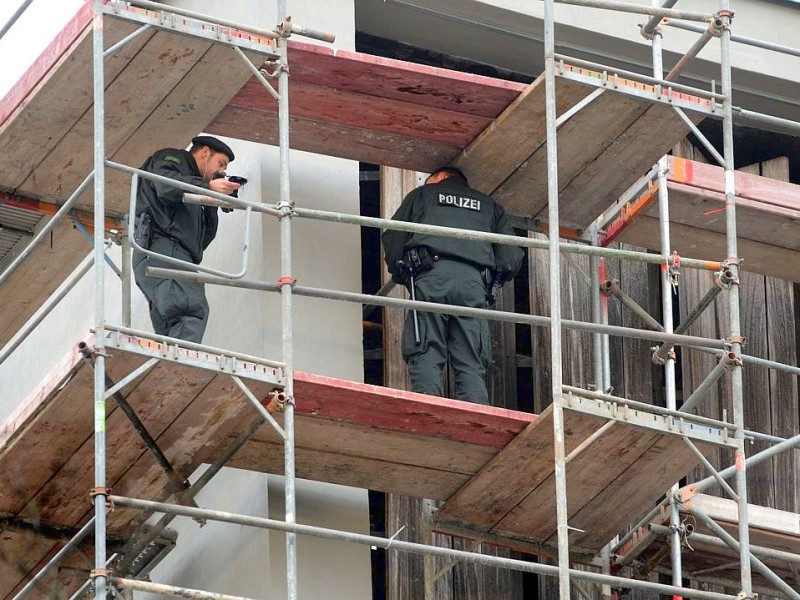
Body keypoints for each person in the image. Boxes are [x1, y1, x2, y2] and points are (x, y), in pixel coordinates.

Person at [382, 166, 523, 405]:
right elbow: (511, 255)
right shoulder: (490, 206)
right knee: (471, 355)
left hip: (431, 276)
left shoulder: (422, 196)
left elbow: (394, 237)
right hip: (472, 283)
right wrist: (490, 282)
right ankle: (475, 412)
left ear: (442, 177)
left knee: (425, 345)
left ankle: (429, 407)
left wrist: (405, 275)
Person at [132, 135, 241, 343]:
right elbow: (166, 186)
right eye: (220, 164)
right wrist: (208, 187)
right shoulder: (173, 159)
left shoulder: (196, 188)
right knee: (189, 310)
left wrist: (218, 200)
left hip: (167, 254)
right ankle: (180, 367)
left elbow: (201, 240)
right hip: (163, 246)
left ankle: (168, 369)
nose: (221, 171)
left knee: (171, 323)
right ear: (205, 152)